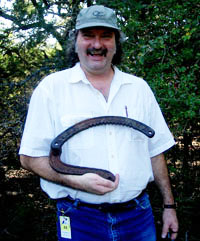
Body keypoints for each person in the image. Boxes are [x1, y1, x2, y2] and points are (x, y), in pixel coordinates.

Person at [19, 5, 178, 241]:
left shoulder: (139, 89)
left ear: (116, 43)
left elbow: (155, 152)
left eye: (105, 36)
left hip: (138, 218)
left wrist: (169, 207)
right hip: (79, 219)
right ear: (76, 41)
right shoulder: (51, 89)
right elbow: (29, 158)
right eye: (88, 35)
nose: (97, 44)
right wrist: (76, 181)